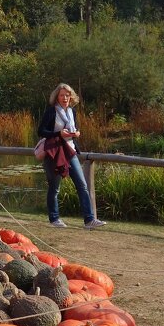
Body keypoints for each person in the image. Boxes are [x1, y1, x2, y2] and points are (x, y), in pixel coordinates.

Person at [37, 83, 106, 230]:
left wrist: (77, 133)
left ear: (71, 97)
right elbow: (41, 131)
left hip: (70, 151)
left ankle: (89, 220)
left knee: (82, 185)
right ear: (57, 97)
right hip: (55, 153)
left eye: (67, 95)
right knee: (54, 187)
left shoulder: (72, 112)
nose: (64, 98)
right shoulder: (51, 111)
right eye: (62, 95)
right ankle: (54, 218)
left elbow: (74, 128)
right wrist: (58, 134)